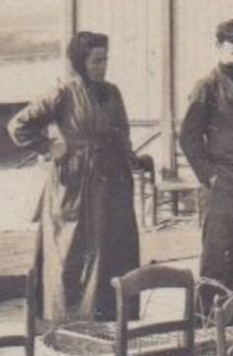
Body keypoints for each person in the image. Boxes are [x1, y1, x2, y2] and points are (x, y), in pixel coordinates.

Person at [8, 31, 144, 324]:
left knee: (115, 249)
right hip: (75, 184)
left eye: (105, 60)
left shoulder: (112, 92)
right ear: (81, 61)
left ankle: (111, 318)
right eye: (96, 61)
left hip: (112, 182)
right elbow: (18, 126)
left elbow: (122, 134)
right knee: (71, 253)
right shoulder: (63, 93)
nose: (102, 66)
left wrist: (133, 159)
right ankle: (69, 320)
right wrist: (48, 147)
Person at [179, 19, 233, 293]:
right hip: (222, 183)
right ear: (219, 46)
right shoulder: (207, 85)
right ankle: (207, 317)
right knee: (216, 254)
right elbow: (189, 137)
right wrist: (211, 176)